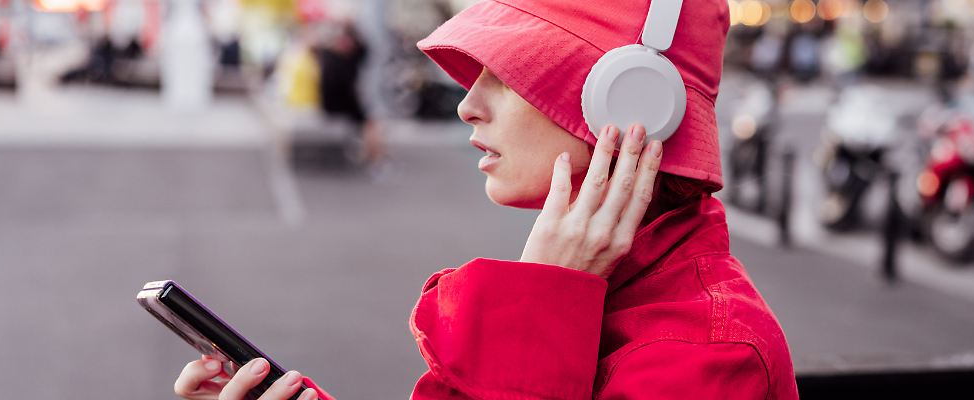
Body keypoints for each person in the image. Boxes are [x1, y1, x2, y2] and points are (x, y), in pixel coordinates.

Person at [173, 1, 798, 399]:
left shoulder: (709, 353)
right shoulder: (610, 285)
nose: (467, 104)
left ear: (631, 100)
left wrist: (544, 300)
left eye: (505, 75)